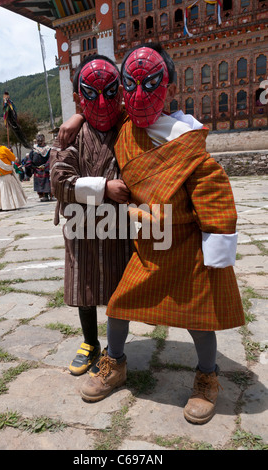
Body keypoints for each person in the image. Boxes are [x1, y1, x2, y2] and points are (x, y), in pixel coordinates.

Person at [79, 43, 245, 425]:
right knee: (120, 305)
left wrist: (216, 243)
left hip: (187, 247)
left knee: (199, 319)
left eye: (149, 82)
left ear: (166, 84)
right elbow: (100, 110)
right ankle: (115, 364)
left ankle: (207, 377)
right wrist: (74, 120)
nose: (138, 95)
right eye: (130, 84)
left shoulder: (185, 138)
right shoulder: (124, 132)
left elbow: (212, 191)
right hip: (149, 245)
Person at [49, 54, 131, 376]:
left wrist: (80, 115)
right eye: (91, 94)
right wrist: (104, 188)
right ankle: (89, 341)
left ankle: (114, 346)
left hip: (115, 227)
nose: (102, 101)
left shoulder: (127, 129)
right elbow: (59, 181)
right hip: (81, 226)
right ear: (78, 96)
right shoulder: (68, 137)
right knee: (84, 283)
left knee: (114, 284)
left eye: (110, 92)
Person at [0, 131, 27, 211]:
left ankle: (0, 206)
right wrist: (10, 152)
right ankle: (10, 206)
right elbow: (14, 159)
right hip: (6, 175)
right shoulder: (3, 149)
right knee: (9, 192)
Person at [25, 134, 54, 201]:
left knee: (46, 182)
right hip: (36, 169)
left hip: (45, 169)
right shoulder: (34, 149)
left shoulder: (48, 149)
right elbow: (30, 158)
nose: (40, 142)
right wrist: (29, 165)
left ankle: (46, 195)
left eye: (41, 140)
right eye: (38, 140)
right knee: (39, 184)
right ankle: (41, 195)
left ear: (44, 140)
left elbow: (50, 158)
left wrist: (46, 166)